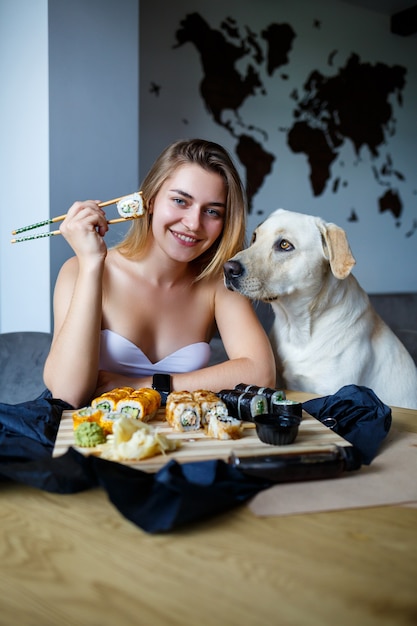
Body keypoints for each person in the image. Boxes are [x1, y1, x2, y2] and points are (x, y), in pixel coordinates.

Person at [43, 139, 276, 408]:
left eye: (212, 211)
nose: (193, 224)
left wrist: (147, 385)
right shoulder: (79, 270)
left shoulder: (216, 283)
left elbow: (261, 373)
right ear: (150, 200)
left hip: (180, 439)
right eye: (180, 201)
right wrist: (92, 263)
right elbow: (67, 395)